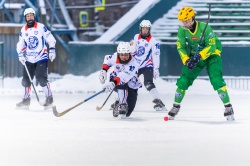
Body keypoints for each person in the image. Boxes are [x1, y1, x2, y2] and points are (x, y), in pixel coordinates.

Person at [167, 6, 235, 121]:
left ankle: (228, 107)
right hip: (193, 57)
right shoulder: (182, 30)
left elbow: (212, 45)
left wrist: (200, 55)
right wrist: (186, 60)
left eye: (187, 20)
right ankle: (175, 106)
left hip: (212, 55)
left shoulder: (205, 28)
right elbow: (181, 47)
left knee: (216, 79)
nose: (185, 23)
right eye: (183, 21)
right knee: (184, 80)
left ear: (193, 18)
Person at [16, 8, 56, 109]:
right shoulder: (23, 30)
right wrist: (20, 54)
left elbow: (50, 38)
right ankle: (26, 100)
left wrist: (52, 50)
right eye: (27, 16)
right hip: (28, 58)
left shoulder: (41, 27)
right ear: (25, 18)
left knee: (41, 78)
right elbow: (21, 44)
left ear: (34, 16)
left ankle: (49, 99)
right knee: (26, 80)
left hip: (41, 57)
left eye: (31, 15)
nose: (30, 17)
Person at [130, 19, 166, 111]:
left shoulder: (154, 42)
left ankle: (159, 102)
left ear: (149, 29)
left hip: (147, 66)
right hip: (136, 65)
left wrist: (156, 68)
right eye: (143, 28)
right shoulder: (136, 37)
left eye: (147, 29)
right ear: (140, 29)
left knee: (148, 83)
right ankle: (120, 101)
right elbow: (132, 51)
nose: (145, 30)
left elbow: (156, 55)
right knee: (128, 82)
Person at [99, 42, 142, 118]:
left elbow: (122, 77)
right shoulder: (114, 57)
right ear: (118, 54)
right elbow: (107, 59)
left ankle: (118, 102)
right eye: (122, 54)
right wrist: (104, 71)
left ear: (129, 54)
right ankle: (122, 104)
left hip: (131, 83)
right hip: (117, 81)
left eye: (126, 54)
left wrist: (112, 84)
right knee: (122, 86)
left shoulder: (133, 63)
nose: (124, 57)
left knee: (128, 112)